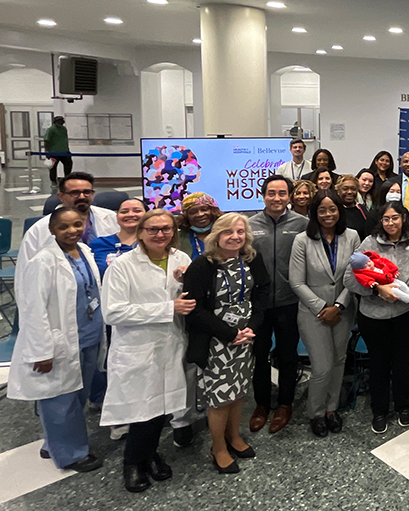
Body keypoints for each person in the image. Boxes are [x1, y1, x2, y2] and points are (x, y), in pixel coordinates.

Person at [100, 210, 193, 492]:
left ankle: (150, 455)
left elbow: (192, 298)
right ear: (140, 232)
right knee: (142, 411)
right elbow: (113, 312)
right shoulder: (122, 266)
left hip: (171, 344)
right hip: (137, 348)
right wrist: (168, 308)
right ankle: (132, 463)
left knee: (162, 407)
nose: (160, 234)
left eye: (166, 229)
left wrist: (188, 282)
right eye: (152, 229)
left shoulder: (181, 260)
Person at [10, 208, 104, 473]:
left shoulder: (84, 252)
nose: (72, 231)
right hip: (58, 342)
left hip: (87, 336)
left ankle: (54, 442)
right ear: (52, 230)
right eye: (64, 227)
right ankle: (71, 454)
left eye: (77, 224)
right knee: (59, 400)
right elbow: (32, 308)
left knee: (77, 397)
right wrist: (41, 351)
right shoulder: (43, 261)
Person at [183, 213, 268, 474]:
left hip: (245, 338)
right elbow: (195, 309)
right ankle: (217, 447)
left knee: (240, 390)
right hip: (216, 341)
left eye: (240, 232)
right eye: (228, 232)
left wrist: (251, 328)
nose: (235, 237)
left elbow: (262, 292)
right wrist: (230, 333)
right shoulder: (202, 265)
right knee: (219, 398)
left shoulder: (251, 259)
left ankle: (235, 436)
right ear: (217, 235)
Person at [345, 201, 409, 433]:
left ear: (403, 218)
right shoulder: (369, 243)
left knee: (403, 362)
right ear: (380, 221)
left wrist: (404, 295)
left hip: (406, 314)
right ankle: (379, 410)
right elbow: (349, 278)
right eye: (386, 219)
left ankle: (404, 406)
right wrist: (377, 289)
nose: (390, 223)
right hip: (373, 317)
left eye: (395, 217)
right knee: (379, 364)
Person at [290, 190, 359, 437]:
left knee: (339, 361)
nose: (328, 214)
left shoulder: (351, 236)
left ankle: (332, 410)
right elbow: (296, 282)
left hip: (343, 310)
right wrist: (322, 308)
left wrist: (338, 306)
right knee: (321, 367)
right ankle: (316, 413)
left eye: (332, 209)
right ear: (314, 213)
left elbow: (355, 276)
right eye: (322, 210)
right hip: (313, 313)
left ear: (340, 210)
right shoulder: (302, 240)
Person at [247, 176, 308, 434]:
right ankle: (261, 404)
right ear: (262, 195)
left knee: (288, 355)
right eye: (271, 193)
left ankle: (285, 403)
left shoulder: (302, 224)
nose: (276, 198)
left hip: (289, 301)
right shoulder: (249, 226)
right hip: (257, 304)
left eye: (282, 193)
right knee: (258, 356)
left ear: (289, 196)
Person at [16, 172, 119, 290]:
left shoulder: (111, 218)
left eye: (87, 192)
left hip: (107, 286)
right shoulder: (39, 230)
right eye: (74, 193)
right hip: (61, 291)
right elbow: (25, 274)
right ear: (61, 196)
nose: (82, 197)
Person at [90, 198, 147, 276]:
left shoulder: (153, 243)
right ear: (117, 217)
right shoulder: (99, 243)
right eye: (124, 212)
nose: (130, 214)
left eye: (137, 211)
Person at [176, 192, 220, 259]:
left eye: (204, 209)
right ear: (186, 216)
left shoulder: (225, 233)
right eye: (193, 212)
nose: (200, 214)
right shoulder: (177, 238)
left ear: (213, 211)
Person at [43, 114, 73, 186]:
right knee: (53, 168)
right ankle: (53, 181)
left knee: (68, 165)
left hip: (64, 151)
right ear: (55, 122)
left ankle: (67, 179)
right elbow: (46, 140)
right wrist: (47, 152)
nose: (62, 122)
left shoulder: (64, 129)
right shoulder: (51, 129)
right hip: (54, 152)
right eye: (60, 120)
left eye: (62, 120)